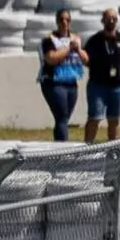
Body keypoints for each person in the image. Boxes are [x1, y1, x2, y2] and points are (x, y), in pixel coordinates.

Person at [83, 7, 120, 142]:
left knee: (114, 119)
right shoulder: (94, 40)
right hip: (98, 85)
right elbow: (87, 61)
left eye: (114, 18)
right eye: (108, 18)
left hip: (118, 86)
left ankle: (113, 149)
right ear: (102, 20)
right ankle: (87, 147)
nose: (111, 21)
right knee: (95, 117)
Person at [36, 14, 84, 143]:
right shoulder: (49, 40)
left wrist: (78, 49)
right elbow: (51, 58)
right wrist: (69, 48)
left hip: (71, 82)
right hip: (53, 82)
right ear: (57, 21)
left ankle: (59, 143)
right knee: (61, 116)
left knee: (64, 118)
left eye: (67, 20)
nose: (64, 22)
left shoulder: (76, 38)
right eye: (61, 20)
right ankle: (62, 146)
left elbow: (85, 59)